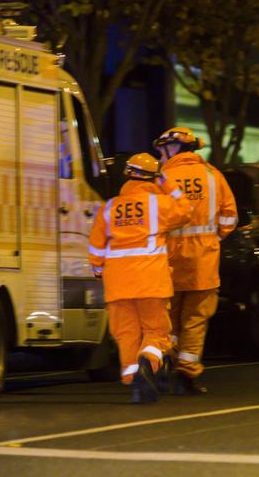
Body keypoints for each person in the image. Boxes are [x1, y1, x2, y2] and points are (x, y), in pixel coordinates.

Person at [88, 153, 192, 403]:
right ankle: (149, 360)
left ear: (127, 175)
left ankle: (134, 380)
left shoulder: (109, 207)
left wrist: (99, 271)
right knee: (156, 331)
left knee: (126, 333)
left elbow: (96, 248)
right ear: (154, 178)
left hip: (118, 284)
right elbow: (186, 210)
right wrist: (168, 184)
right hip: (150, 281)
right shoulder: (159, 204)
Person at [153, 127, 238, 395]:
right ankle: (186, 375)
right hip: (203, 263)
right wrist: (212, 239)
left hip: (168, 261)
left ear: (174, 148)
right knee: (195, 320)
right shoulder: (213, 176)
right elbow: (229, 218)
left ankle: (165, 367)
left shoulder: (161, 178)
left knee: (168, 319)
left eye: (164, 148)